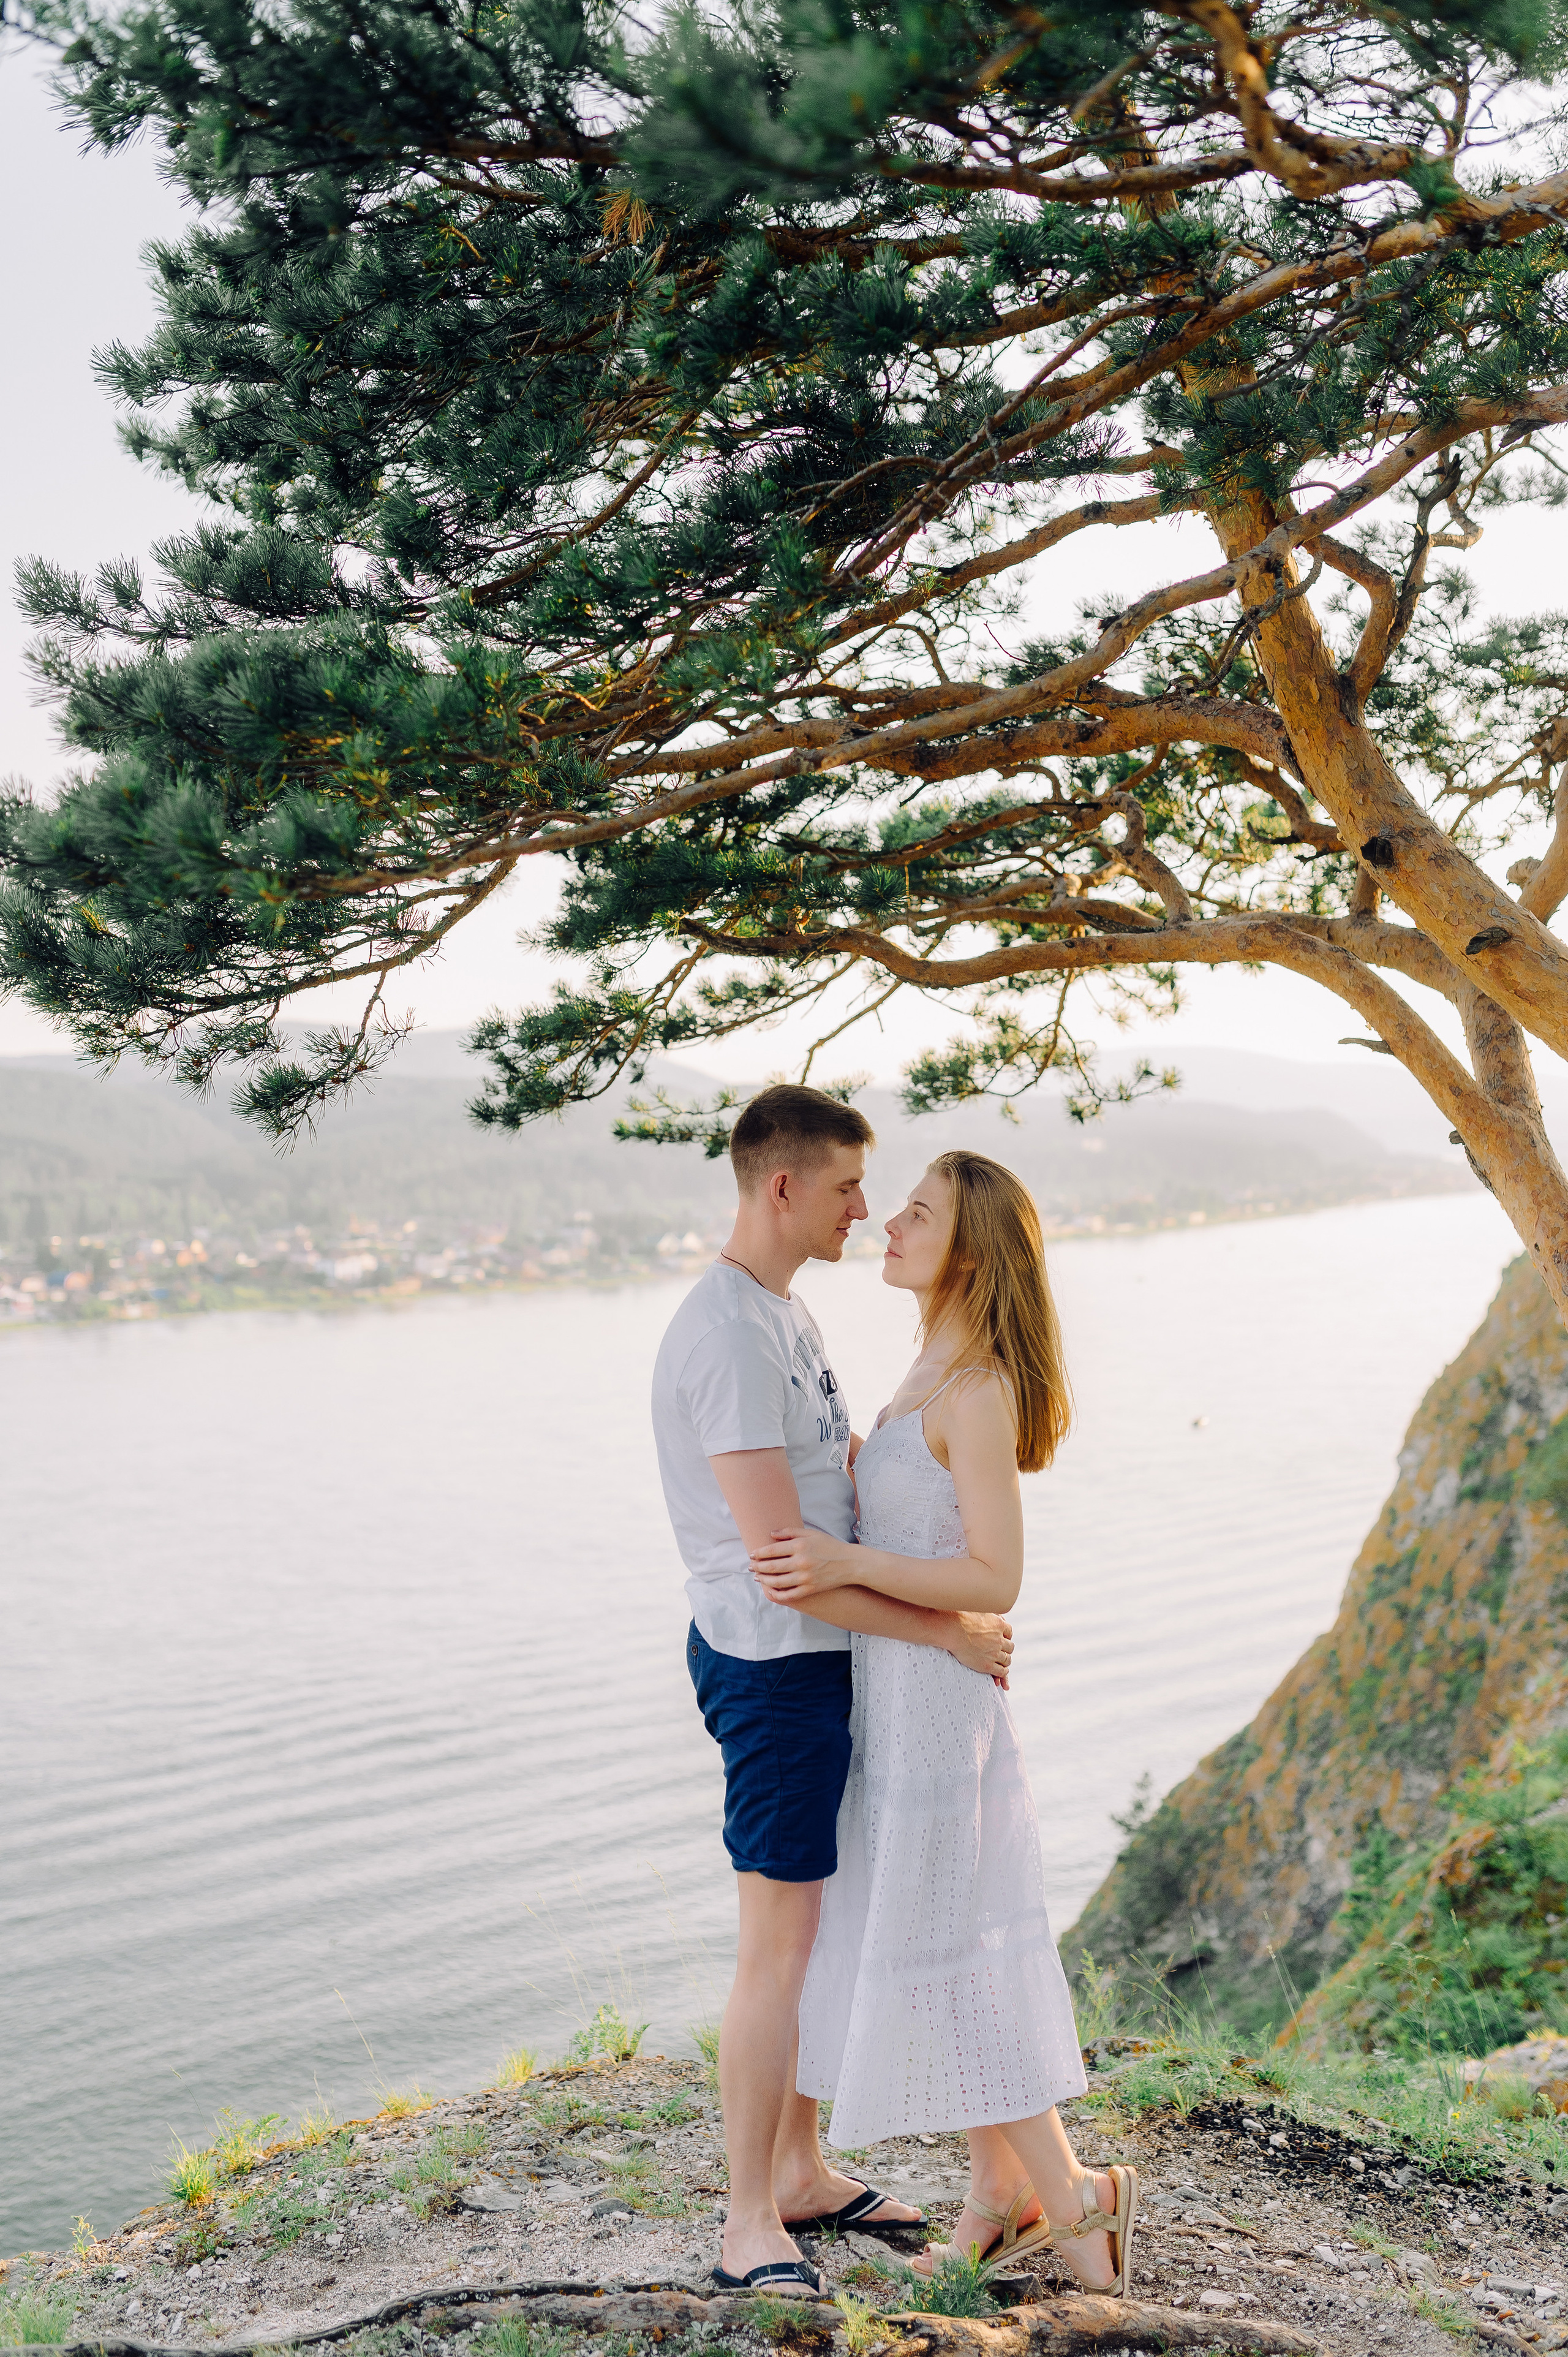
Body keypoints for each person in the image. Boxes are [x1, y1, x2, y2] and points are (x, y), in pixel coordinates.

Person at [750, 1150, 1139, 2296]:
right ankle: (998, 2195)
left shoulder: (977, 1387)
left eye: (916, 1214)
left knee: (948, 1956)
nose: (889, 1223)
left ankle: (1078, 2201)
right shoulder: (923, 1368)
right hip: (896, 1699)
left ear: (968, 1250)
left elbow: (994, 1574)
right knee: (942, 1946)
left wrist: (842, 1555)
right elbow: (928, 1537)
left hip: (937, 1718)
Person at [652, 1089, 1018, 2296]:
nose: (867, 1208)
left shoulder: (783, 1313)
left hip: (820, 1665)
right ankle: (749, 2216)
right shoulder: (725, 1333)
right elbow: (789, 1574)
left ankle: (803, 2165)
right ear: (782, 1189)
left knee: (810, 1934)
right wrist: (945, 1626)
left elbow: (829, 1507)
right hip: (772, 1670)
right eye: (852, 1188)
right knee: (777, 1944)